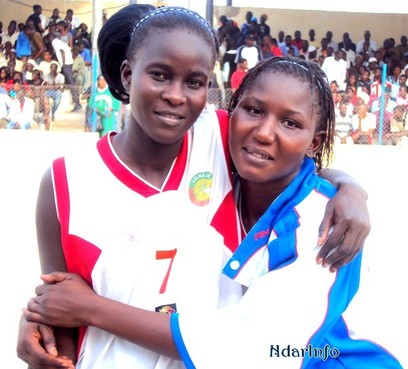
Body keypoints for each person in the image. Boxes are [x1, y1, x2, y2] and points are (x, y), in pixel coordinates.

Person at [17, 6, 370, 369]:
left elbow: (290, 159)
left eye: (194, 82)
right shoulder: (65, 181)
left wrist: (350, 188)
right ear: (127, 75)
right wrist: (40, 333)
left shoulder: (217, 136)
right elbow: (58, 304)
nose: (175, 95)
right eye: (159, 75)